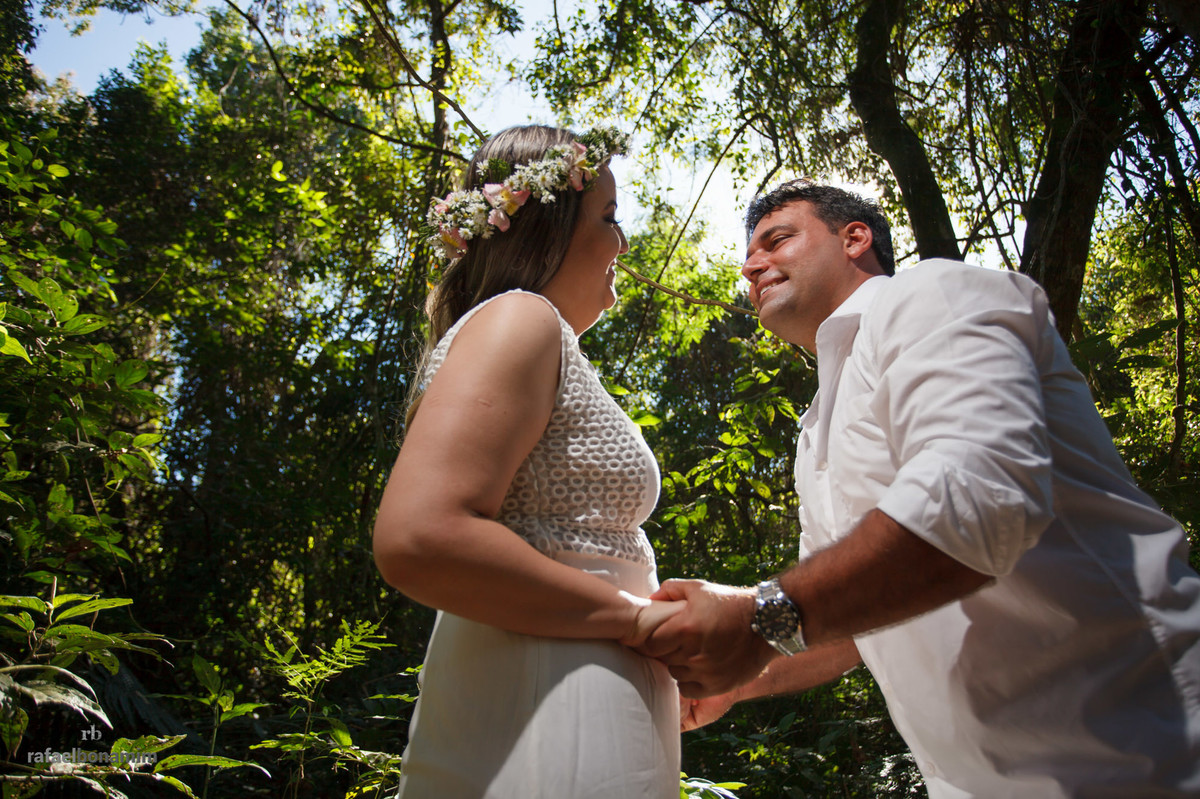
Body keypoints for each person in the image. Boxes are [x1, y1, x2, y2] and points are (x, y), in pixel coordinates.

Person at [639, 179, 1200, 796]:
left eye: (777, 239)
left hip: (1150, 750)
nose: (751, 265)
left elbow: (978, 501)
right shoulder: (814, 428)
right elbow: (845, 621)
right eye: (749, 255)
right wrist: (742, 680)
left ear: (855, 238)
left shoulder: (934, 293)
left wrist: (754, 621)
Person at [373, 125, 683, 799]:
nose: (622, 243)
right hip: (550, 698)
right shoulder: (521, 319)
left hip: (564, 686)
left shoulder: (539, 338)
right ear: (549, 226)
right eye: (609, 217)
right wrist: (632, 619)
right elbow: (420, 535)